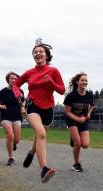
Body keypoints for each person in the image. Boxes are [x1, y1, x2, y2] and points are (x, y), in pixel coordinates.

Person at [13, 39, 65, 183]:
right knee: (41, 134)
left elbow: (62, 90)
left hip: (48, 109)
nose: (38, 53)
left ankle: (31, 152)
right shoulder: (30, 73)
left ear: (46, 55)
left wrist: (51, 82)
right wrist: (19, 95)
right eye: (35, 52)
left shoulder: (54, 71)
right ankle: (44, 169)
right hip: (33, 106)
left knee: (39, 138)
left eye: (41, 51)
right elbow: (17, 84)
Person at [63, 72, 94, 172]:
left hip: (83, 120)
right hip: (72, 120)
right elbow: (67, 112)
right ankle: (76, 164)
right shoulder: (71, 96)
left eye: (86, 80)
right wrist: (77, 119)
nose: (85, 82)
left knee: (85, 145)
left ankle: (74, 138)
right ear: (77, 82)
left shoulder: (89, 95)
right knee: (78, 144)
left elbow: (92, 106)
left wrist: (88, 113)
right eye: (82, 80)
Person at [0, 72, 25, 166]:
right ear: (8, 80)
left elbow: (23, 102)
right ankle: (11, 157)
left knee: (17, 140)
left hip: (17, 116)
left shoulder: (20, 91)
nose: (13, 80)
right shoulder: (3, 91)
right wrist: (1, 106)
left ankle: (14, 144)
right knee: (10, 135)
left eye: (15, 79)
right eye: (11, 78)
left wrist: (23, 106)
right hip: (5, 116)